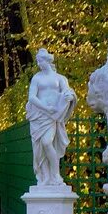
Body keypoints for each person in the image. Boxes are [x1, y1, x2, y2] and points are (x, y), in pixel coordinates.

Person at [26, 48, 77, 186]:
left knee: (47, 142)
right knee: (39, 148)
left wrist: (69, 96)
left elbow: (68, 92)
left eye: (40, 61)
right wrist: (45, 107)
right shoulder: (37, 78)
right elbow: (32, 97)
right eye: (37, 61)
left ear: (46, 61)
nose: (38, 64)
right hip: (39, 116)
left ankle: (55, 175)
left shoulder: (60, 78)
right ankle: (45, 176)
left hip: (53, 116)